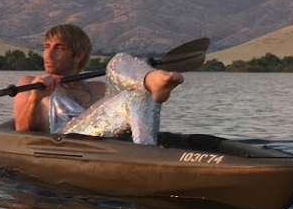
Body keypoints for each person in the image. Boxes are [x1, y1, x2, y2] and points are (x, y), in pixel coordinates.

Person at [13, 23, 184, 145]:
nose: (48, 54)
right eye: (46, 46)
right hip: (66, 142)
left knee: (128, 78)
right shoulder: (30, 83)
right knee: (119, 66)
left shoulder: (98, 88)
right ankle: (151, 82)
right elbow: (21, 130)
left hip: (105, 145)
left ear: (78, 56)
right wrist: (34, 99)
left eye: (58, 47)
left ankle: (150, 83)